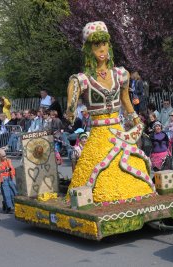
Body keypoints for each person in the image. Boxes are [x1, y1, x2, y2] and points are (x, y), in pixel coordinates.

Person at [65, 21, 154, 202]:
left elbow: (126, 101)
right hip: (98, 133)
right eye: (97, 45)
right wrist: (71, 110)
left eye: (104, 44)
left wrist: (136, 121)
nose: (102, 49)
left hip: (118, 130)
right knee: (97, 170)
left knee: (130, 163)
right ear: (88, 49)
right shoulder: (81, 79)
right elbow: (70, 107)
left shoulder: (121, 74)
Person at [0, 149, 17, 214]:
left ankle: (12, 205)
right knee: (6, 193)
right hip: (3, 180)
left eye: (5, 155)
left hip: (9, 178)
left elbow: (12, 168)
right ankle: (8, 207)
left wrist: (12, 173)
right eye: (3, 156)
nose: (5, 157)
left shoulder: (8, 160)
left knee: (13, 192)